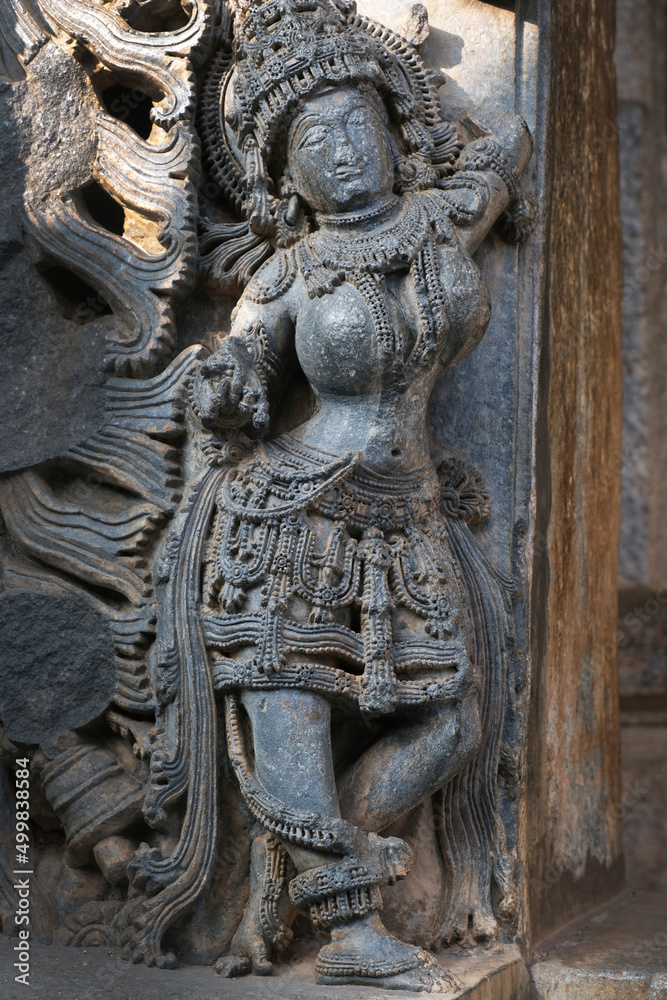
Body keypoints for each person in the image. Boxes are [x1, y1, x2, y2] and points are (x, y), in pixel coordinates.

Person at [142, 0, 533, 990]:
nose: (343, 149)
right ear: (282, 172)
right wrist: (226, 387)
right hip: (290, 517)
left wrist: (437, 124)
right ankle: (350, 929)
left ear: (392, 133)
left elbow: (513, 144)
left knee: (452, 722)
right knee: (296, 708)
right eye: (313, 136)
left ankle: (310, 863)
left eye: (359, 122)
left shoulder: (445, 216)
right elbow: (239, 371)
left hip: (407, 512)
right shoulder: (289, 274)